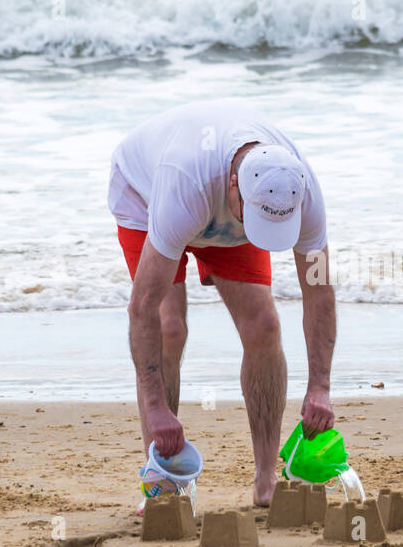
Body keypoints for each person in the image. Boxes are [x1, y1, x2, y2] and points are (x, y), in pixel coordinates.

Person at [107, 99, 337, 507]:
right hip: (146, 197)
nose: (261, 232)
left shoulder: (300, 192)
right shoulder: (184, 184)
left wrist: (319, 387)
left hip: (219, 215)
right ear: (235, 186)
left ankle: (266, 481)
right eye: (257, 220)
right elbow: (142, 306)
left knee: (264, 326)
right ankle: (163, 479)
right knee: (169, 327)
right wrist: (157, 407)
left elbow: (318, 292)